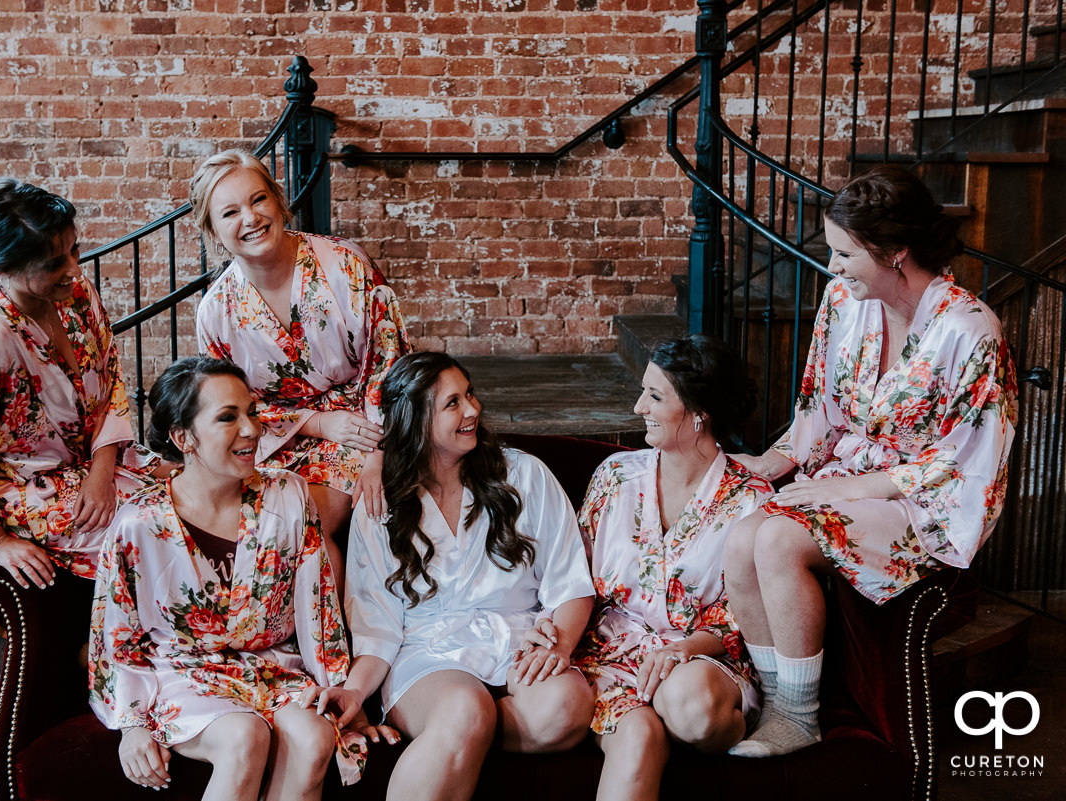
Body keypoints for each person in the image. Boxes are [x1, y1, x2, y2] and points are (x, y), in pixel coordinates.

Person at [724, 165, 1019, 757]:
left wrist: (852, 491)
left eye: (843, 254)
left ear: (895, 253)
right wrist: (776, 461)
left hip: (923, 501)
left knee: (781, 540)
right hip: (847, 477)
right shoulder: (843, 300)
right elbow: (818, 403)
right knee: (740, 538)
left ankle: (796, 715)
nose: (831, 268)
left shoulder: (971, 332)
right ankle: (767, 695)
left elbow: (970, 461)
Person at [88, 356, 385, 800]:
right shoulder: (139, 523)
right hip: (184, 673)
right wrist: (132, 725)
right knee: (245, 737)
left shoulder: (288, 493)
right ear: (183, 438)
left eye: (251, 412)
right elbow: (117, 636)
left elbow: (317, 604)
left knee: (315, 737)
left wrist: (340, 693)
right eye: (228, 417)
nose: (252, 429)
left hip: (275, 668)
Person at [308, 351, 596, 801]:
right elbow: (377, 623)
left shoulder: (525, 474)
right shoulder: (379, 500)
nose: (472, 411)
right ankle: (464, 725)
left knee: (567, 707)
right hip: (427, 653)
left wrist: (558, 642)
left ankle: (465, 735)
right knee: (465, 707)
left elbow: (571, 583)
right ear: (416, 421)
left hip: (517, 641)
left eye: (470, 395)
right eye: (452, 403)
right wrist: (355, 691)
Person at [557, 336, 773, 801]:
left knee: (692, 708)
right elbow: (571, 572)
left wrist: (681, 651)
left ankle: (689, 719)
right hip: (608, 653)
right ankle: (642, 720)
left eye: (655, 396)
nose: (638, 408)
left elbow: (744, 618)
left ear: (699, 414)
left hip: (702, 660)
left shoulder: (752, 501)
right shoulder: (616, 476)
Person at [190, 149, 410, 585]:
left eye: (258, 200)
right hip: (274, 442)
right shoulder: (216, 312)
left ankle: (330, 644)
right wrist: (315, 423)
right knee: (242, 528)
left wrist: (380, 452)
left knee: (301, 522)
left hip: (367, 427)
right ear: (213, 231)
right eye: (230, 212)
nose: (250, 218)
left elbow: (394, 362)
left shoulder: (347, 265)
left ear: (277, 199)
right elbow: (229, 405)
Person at [0, 178, 156, 589]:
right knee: (156, 531)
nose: (74, 270)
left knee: (206, 495)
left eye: (74, 250)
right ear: (4, 268)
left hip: (100, 465)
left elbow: (111, 375)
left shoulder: (77, 294)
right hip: (24, 492)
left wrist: (102, 470)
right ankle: (125, 648)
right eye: (53, 264)